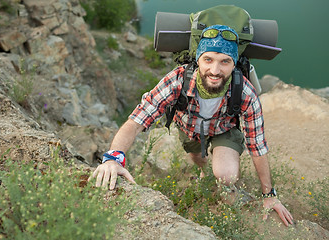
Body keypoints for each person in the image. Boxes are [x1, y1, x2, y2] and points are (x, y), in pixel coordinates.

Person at [91, 25, 294, 226]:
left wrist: (269, 194)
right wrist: (113, 158)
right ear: (198, 60)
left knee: (226, 175)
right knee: (197, 158)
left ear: (234, 64)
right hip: (190, 129)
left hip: (224, 129)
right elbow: (136, 121)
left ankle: (225, 186)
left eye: (225, 61)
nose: (215, 71)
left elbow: (256, 145)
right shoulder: (177, 80)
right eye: (208, 59)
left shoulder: (245, 93)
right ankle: (204, 171)